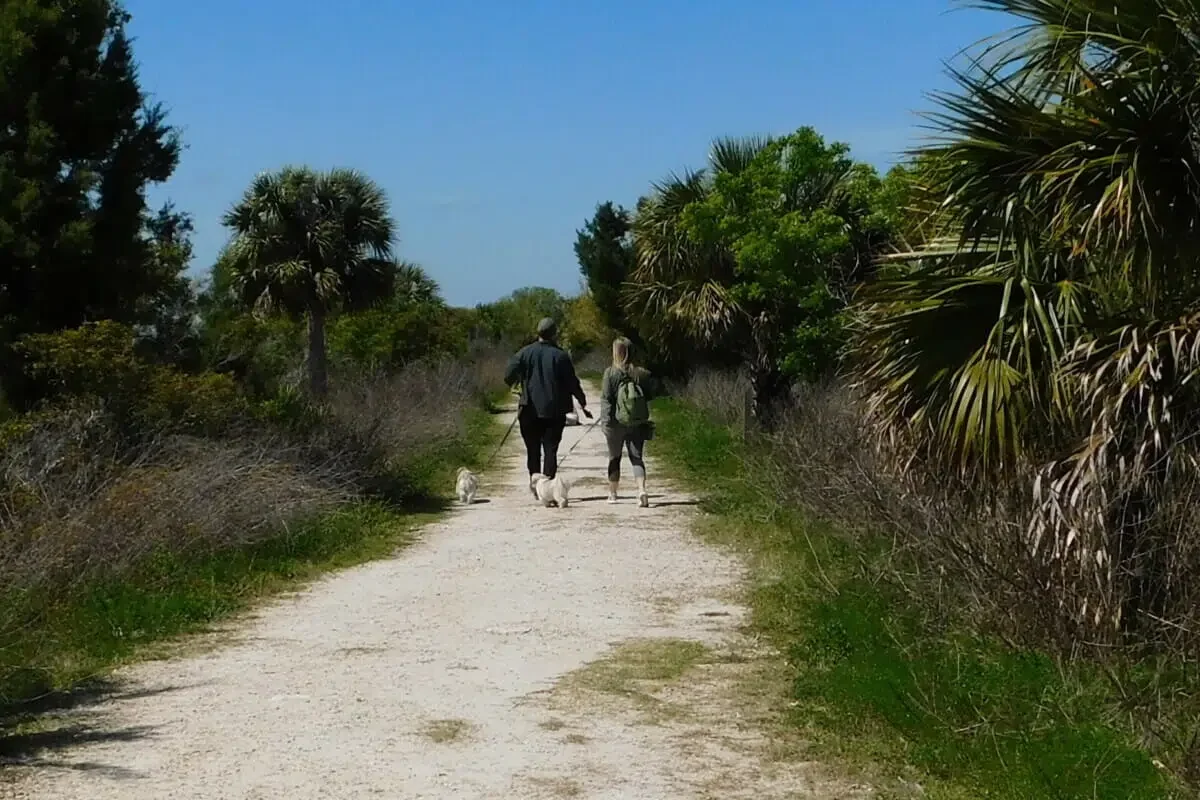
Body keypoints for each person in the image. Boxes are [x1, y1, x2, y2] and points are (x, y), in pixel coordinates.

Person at [504, 318, 591, 495]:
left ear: (538, 333)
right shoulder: (561, 356)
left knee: (532, 449)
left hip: (529, 409)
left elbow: (508, 375)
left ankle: (536, 486)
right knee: (550, 449)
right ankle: (549, 487)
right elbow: (572, 382)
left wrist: (518, 383)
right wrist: (582, 402)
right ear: (554, 333)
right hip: (554, 410)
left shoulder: (525, 353)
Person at [600, 336, 659, 508]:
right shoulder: (641, 373)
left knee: (614, 457)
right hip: (636, 421)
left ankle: (612, 493)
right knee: (637, 458)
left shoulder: (610, 373)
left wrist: (606, 422)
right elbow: (649, 395)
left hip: (615, 423)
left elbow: (606, 400)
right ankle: (641, 490)